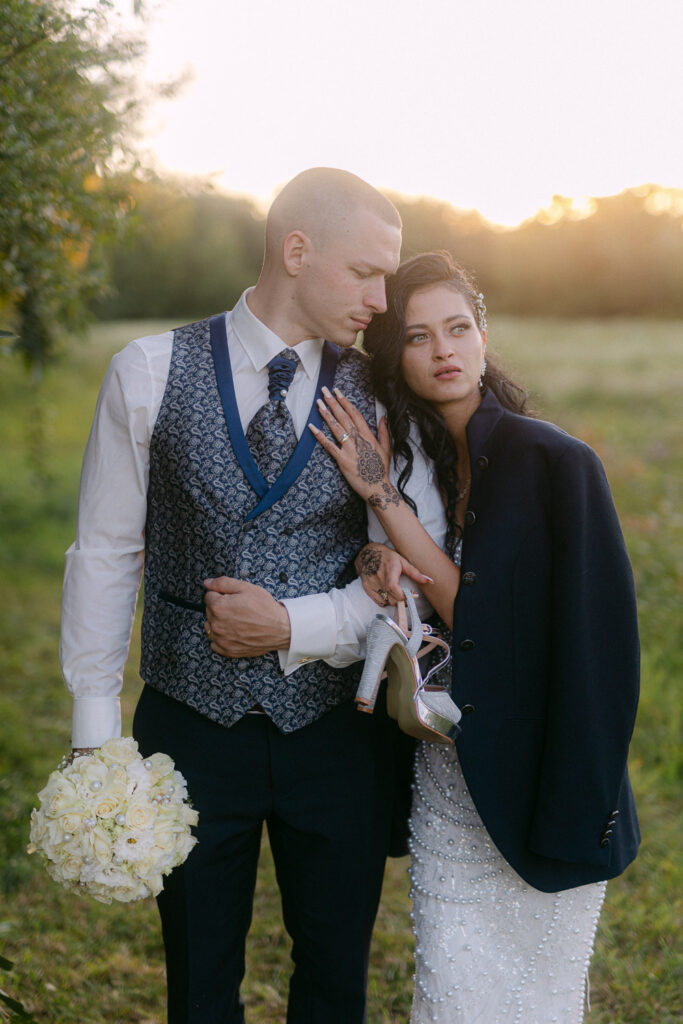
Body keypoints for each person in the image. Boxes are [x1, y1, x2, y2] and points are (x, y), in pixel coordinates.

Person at [59, 167, 421, 1024]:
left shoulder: (380, 391)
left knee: (335, 980)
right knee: (198, 983)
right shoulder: (146, 371)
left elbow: (397, 573)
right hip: (188, 728)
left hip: (338, 731)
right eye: (366, 272)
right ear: (296, 251)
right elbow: (106, 554)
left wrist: (289, 624)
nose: (382, 297)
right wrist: (95, 736)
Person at [308, 250, 640, 1023]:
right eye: (418, 338)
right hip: (446, 780)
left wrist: (380, 496)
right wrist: (376, 538)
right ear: (398, 358)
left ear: (484, 335)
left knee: (536, 1000)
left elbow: (575, 646)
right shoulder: (419, 457)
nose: (443, 351)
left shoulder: (557, 463)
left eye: (457, 328)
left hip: (545, 776)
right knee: (450, 994)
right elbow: (406, 580)